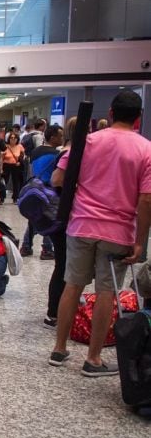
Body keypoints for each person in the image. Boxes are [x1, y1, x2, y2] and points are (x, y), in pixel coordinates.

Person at [49, 91, 151, 377]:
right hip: (117, 231)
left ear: (112, 113)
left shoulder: (87, 142)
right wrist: (140, 241)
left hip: (81, 225)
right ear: (138, 118)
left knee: (72, 284)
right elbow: (146, 199)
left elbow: (57, 178)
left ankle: (59, 348)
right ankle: (93, 359)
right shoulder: (146, 149)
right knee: (106, 292)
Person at [20, 125, 63, 260]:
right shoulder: (57, 155)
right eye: (60, 135)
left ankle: (26, 246)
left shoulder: (36, 151)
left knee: (35, 218)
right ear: (52, 137)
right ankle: (47, 249)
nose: (62, 138)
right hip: (49, 190)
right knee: (48, 219)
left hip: (34, 188)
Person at [1, 131, 25, 203]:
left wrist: (19, 162)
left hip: (16, 165)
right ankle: (2, 198)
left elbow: (22, 156)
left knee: (16, 182)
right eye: (11, 138)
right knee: (4, 182)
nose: (13, 139)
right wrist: (1, 167)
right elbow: (1, 158)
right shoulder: (5, 146)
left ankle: (15, 198)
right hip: (6, 165)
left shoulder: (20, 146)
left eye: (15, 138)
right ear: (9, 139)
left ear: (17, 139)